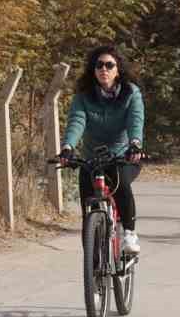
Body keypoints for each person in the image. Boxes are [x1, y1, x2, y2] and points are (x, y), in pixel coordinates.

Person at [60, 45, 145, 254]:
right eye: (99, 65)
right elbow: (77, 121)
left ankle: (129, 234)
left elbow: (136, 119)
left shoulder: (130, 93)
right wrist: (68, 147)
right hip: (92, 158)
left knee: (120, 181)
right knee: (87, 206)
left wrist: (135, 143)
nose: (104, 69)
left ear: (118, 70)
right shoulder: (83, 96)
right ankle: (93, 263)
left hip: (123, 155)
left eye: (109, 65)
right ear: (93, 70)